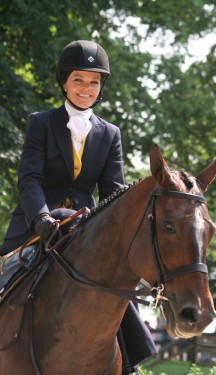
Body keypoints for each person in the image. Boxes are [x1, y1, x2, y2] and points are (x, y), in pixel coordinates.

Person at [0, 40, 157, 374]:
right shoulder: (40, 122)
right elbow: (29, 179)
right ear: (64, 83)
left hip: (83, 229)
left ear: (101, 88)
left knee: (117, 289)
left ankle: (129, 363)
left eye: (94, 82)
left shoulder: (110, 133)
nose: (87, 88)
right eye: (79, 80)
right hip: (36, 226)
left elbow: (115, 191)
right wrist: (40, 217)